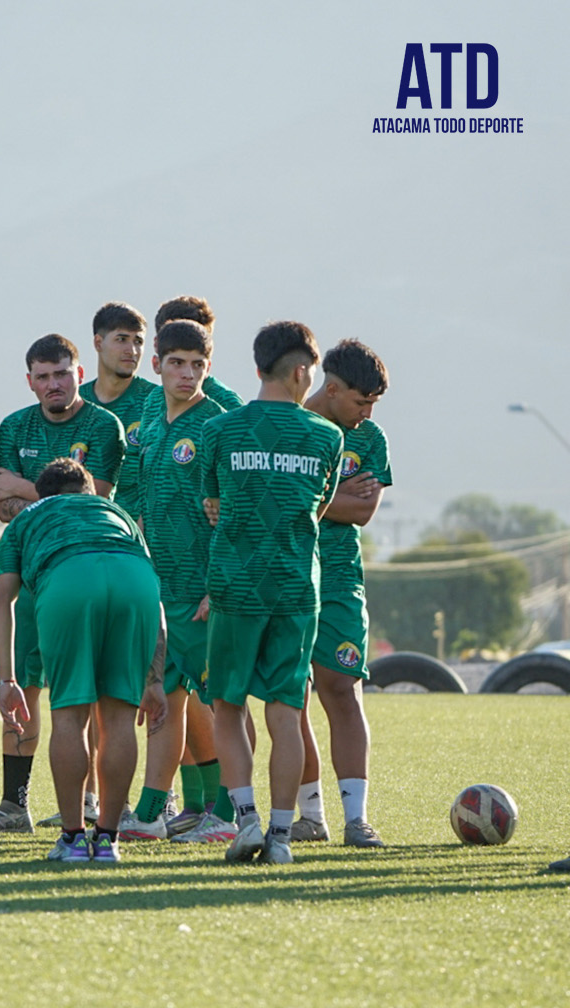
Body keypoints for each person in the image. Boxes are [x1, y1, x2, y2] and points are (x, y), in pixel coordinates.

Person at [0, 334, 124, 833]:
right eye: (43, 376)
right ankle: (15, 805)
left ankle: (92, 800)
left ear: (80, 374)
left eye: (62, 373)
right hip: (30, 571)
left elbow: (93, 496)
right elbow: (1, 503)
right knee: (24, 685)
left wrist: (25, 490)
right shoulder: (14, 425)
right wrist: (29, 494)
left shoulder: (103, 424)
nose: (53, 384)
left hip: (85, 567)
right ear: (30, 380)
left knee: (88, 692)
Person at [200, 320, 343, 865]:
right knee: (287, 711)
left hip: (235, 586)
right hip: (295, 588)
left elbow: (212, 503)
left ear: (258, 368)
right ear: (303, 370)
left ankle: (247, 823)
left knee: (227, 705)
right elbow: (320, 508)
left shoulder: (220, 431)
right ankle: (282, 837)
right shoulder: (328, 437)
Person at [0, 458, 166, 862]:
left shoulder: (27, 518)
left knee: (70, 716)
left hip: (69, 578)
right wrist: (154, 679)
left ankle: (72, 838)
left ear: (43, 493)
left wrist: (6, 679)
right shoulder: (115, 511)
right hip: (134, 583)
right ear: (90, 492)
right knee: (119, 719)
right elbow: (154, 596)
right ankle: (107, 839)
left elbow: (2, 600)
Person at [120, 319, 233, 843]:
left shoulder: (217, 425)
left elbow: (233, 513)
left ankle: (231, 813)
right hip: (158, 588)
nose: (188, 374)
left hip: (203, 593)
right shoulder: (147, 414)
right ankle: (148, 815)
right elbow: (138, 497)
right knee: (163, 700)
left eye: (197, 365)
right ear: (157, 365)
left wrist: (220, 585)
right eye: (177, 363)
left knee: (223, 703)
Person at [292, 340, 391, 848]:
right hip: (284, 574)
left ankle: (357, 819)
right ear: (331, 389)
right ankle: (311, 815)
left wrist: (302, 493)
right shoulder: (286, 424)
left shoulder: (369, 437)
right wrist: (333, 496)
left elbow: (362, 512)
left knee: (341, 689)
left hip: (339, 580)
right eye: (360, 402)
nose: (367, 413)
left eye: (373, 403)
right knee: (291, 696)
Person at [80, 301, 157, 517]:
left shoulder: (157, 402)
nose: (132, 351)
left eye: (138, 341)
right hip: (84, 528)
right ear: (98, 342)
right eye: (122, 339)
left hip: (140, 536)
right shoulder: (75, 402)